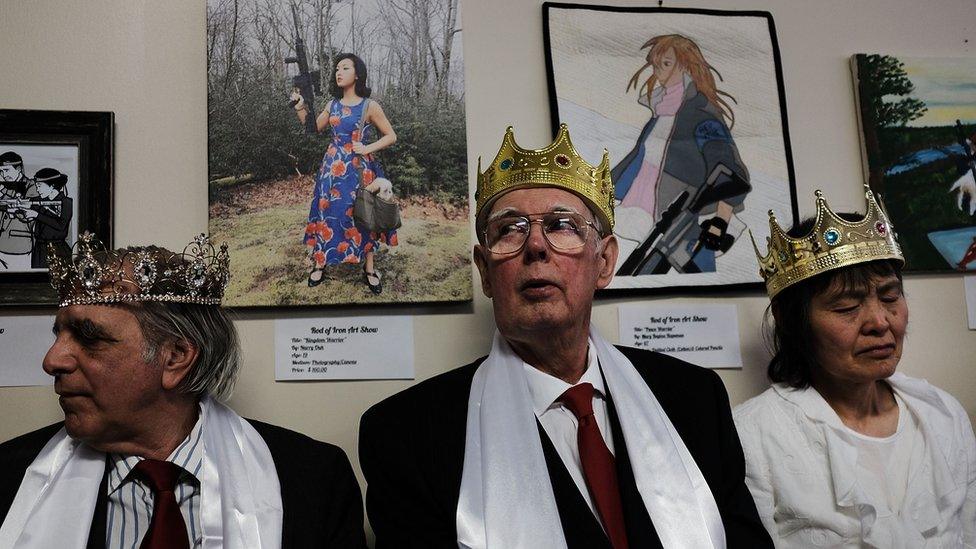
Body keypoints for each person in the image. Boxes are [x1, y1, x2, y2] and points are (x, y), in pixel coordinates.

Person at [359, 124, 772, 548]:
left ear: (605, 263)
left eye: (562, 226)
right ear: (485, 272)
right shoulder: (406, 436)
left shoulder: (693, 399)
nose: (536, 245)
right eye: (510, 230)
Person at [0, 233, 367, 548]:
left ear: (175, 357)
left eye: (88, 337)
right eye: (58, 335)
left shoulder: (312, 480)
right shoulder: (9, 478)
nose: (52, 360)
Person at [734, 186, 976, 547]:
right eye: (847, 307)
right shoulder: (753, 436)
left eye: (891, 296)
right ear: (793, 322)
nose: (880, 321)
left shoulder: (943, 415)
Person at [612, 34, 750, 275]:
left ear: (686, 66)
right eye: (655, 64)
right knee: (644, 272)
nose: (657, 71)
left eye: (665, 63)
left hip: (685, 209)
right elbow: (641, 154)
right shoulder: (662, 107)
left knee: (696, 270)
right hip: (650, 199)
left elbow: (728, 170)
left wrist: (720, 222)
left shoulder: (700, 113)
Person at [291, 52, 398, 293]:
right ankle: (320, 262)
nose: (339, 72)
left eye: (345, 67)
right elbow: (312, 128)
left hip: (360, 171)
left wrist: (367, 147)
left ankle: (369, 268)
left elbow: (391, 136)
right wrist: (300, 107)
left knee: (365, 214)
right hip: (331, 169)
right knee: (327, 213)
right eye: (337, 68)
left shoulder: (370, 106)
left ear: (357, 74)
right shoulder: (333, 105)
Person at [20, 167, 73, 268]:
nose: (37, 189)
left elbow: (60, 225)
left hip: (57, 249)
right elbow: (26, 212)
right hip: (39, 249)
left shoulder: (66, 203)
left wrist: (36, 215)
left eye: (39, 186)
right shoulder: (37, 200)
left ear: (52, 186)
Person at [0, 151, 38, 257]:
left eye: (6, 170)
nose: (4, 175)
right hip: (2, 242)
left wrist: (3, 191)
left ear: (19, 169)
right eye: (1, 172)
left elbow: (27, 215)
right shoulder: (6, 187)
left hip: (20, 245)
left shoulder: (32, 186)